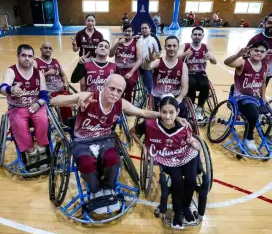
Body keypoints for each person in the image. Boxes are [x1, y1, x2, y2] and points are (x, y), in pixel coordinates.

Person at [50, 74, 187, 215]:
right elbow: (54, 101)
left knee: (114, 159)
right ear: (104, 86)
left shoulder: (120, 103)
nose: (115, 94)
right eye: (112, 89)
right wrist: (75, 98)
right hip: (82, 141)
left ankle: (108, 188)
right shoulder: (89, 96)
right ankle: (96, 191)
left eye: (119, 91)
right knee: (86, 163)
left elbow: (144, 112)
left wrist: (171, 116)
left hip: (105, 139)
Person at [129, 94, 202, 229]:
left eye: (171, 112)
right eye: (164, 112)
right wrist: (143, 145)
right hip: (167, 157)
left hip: (186, 154)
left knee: (191, 180)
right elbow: (132, 131)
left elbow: (197, 146)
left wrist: (193, 142)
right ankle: (177, 212)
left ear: (177, 112)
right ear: (159, 111)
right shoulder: (149, 124)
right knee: (178, 182)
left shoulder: (185, 125)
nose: (167, 116)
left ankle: (185, 208)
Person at [0, 44, 50, 173]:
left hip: (36, 105)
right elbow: (2, 88)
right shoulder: (11, 71)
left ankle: (42, 150)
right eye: (24, 55)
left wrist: (38, 104)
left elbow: (44, 95)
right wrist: (11, 89)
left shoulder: (39, 73)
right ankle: (31, 153)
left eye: (30, 56)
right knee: (18, 124)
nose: (27, 59)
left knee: (43, 120)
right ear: (18, 56)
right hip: (17, 107)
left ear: (33, 58)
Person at [224, 41, 268, 152]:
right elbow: (227, 62)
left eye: (262, 51)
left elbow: (263, 83)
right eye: (256, 50)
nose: (259, 53)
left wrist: (263, 98)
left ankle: (254, 126)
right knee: (253, 114)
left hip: (254, 98)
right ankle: (249, 137)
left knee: (265, 111)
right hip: (240, 98)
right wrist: (238, 54)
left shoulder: (265, 65)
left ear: (265, 54)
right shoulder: (242, 62)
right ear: (250, 51)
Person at [143, 35, 189, 118]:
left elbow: (185, 86)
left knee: (183, 109)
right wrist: (148, 61)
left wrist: (180, 98)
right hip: (158, 97)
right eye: (169, 46)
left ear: (178, 47)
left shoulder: (183, 65)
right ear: (165, 47)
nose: (171, 48)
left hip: (174, 97)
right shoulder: (158, 62)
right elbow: (147, 67)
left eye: (174, 46)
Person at [178, 27, 217, 121]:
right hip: (188, 72)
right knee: (191, 84)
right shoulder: (185, 46)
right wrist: (184, 55)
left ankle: (199, 108)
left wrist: (210, 57)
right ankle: (190, 107)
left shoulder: (205, 47)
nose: (197, 36)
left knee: (205, 85)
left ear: (203, 36)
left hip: (201, 73)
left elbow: (214, 62)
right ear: (191, 35)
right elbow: (176, 58)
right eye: (195, 34)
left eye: (199, 35)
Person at [34, 41, 72, 123]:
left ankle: (68, 122)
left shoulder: (55, 61)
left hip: (61, 89)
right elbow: (33, 80)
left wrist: (66, 82)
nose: (48, 50)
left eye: (50, 48)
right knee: (63, 99)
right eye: (45, 48)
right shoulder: (36, 62)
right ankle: (65, 122)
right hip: (49, 92)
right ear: (41, 49)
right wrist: (47, 74)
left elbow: (63, 75)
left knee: (70, 99)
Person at [246, 13, 272, 85]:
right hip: (252, 72)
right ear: (265, 23)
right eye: (270, 22)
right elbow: (246, 54)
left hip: (267, 73)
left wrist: (269, 64)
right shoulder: (256, 39)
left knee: (261, 93)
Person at [110, 24, 142, 101]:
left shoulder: (136, 42)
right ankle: (116, 101)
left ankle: (126, 103)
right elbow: (110, 55)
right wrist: (117, 44)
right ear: (123, 32)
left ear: (133, 32)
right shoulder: (117, 40)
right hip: (118, 68)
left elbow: (139, 60)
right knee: (115, 83)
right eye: (125, 31)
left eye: (129, 31)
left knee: (129, 82)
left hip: (131, 69)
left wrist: (131, 73)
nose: (127, 33)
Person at [137, 22, 162, 94]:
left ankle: (148, 97)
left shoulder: (153, 39)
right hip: (137, 65)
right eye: (142, 28)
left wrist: (152, 57)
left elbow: (158, 55)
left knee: (149, 85)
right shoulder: (138, 38)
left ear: (149, 29)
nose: (144, 30)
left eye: (146, 28)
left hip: (147, 66)